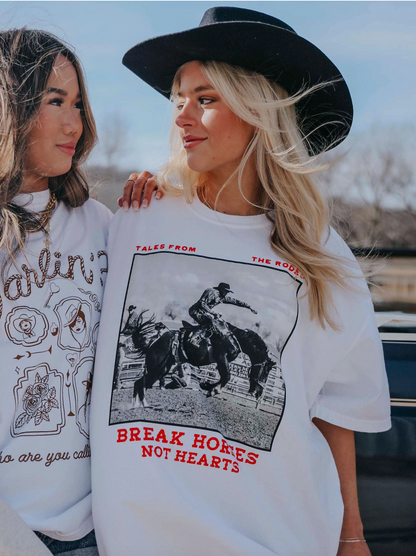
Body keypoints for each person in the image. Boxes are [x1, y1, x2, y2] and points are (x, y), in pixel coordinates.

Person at [90, 7, 391, 556]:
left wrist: (352, 537)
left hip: (278, 537)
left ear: (259, 113)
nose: (182, 117)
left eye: (205, 99)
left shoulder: (322, 255)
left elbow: (335, 411)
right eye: (178, 99)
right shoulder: (136, 218)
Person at [0, 28, 154, 556]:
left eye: (79, 104)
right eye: (54, 101)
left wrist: (164, 208)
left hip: (94, 533)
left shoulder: (102, 225)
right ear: (11, 109)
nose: (75, 124)